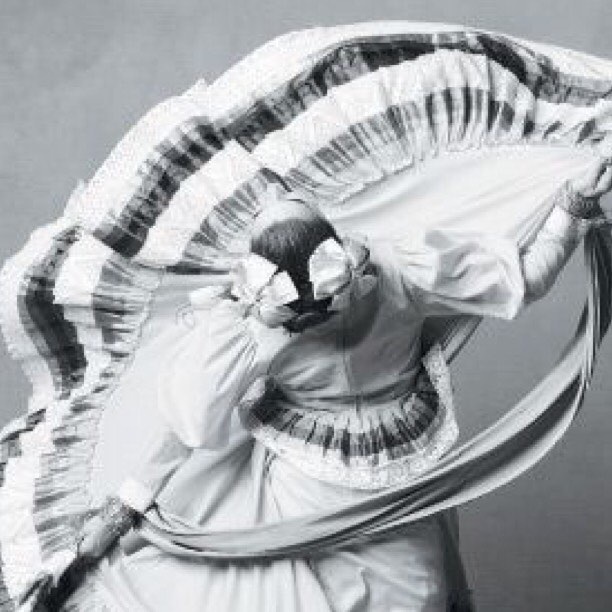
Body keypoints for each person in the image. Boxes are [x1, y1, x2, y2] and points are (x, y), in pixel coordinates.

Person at [37, 160, 612, 611]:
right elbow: (529, 277)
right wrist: (572, 205)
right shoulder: (399, 269)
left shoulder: (249, 325)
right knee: (412, 591)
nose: (275, 191)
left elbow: (188, 429)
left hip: (321, 485)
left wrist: (125, 507)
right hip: (378, 477)